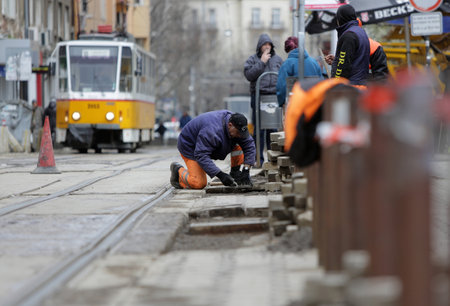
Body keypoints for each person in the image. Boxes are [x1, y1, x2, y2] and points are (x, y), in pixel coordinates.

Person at [170, 111, 256, 189]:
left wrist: (246, 170)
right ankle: (178, 171)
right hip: (189, 146)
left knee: (239, 143)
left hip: (207, 144)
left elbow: (249, 145)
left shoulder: (238, 124)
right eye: (238, 132)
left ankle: (235, 173)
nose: (240, 135)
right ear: (230, 125)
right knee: (199, 183)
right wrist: (220, 175)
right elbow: (201, 155)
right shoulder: (212, 131)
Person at [244, 33, 283, 164]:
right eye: (264, 45)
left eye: (269, 44)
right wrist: (262, 62)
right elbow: (249, 75)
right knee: (259, 129)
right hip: (258, 96)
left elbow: (282, 75)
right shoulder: (253, 59)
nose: (267, 47)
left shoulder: (277, 59)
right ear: (260, 46)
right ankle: (258, 160)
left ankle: (273, 159)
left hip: (273, 97)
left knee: (272, 129)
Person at [324, 4, 370, 86]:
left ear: (341, 18)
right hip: (361, 83)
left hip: (350, 86)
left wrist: (335, 83)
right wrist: (336, 60)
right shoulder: (361, 32)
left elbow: (343, 65)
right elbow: (355, 59)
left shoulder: (349, 35)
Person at [276, 36, 324, 107]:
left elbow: (282, 86)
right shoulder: (314, 62)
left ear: (288, 50)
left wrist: (281, 102)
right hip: (313, 103)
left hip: (295, 104)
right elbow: (321, 82)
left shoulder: (287, 64)